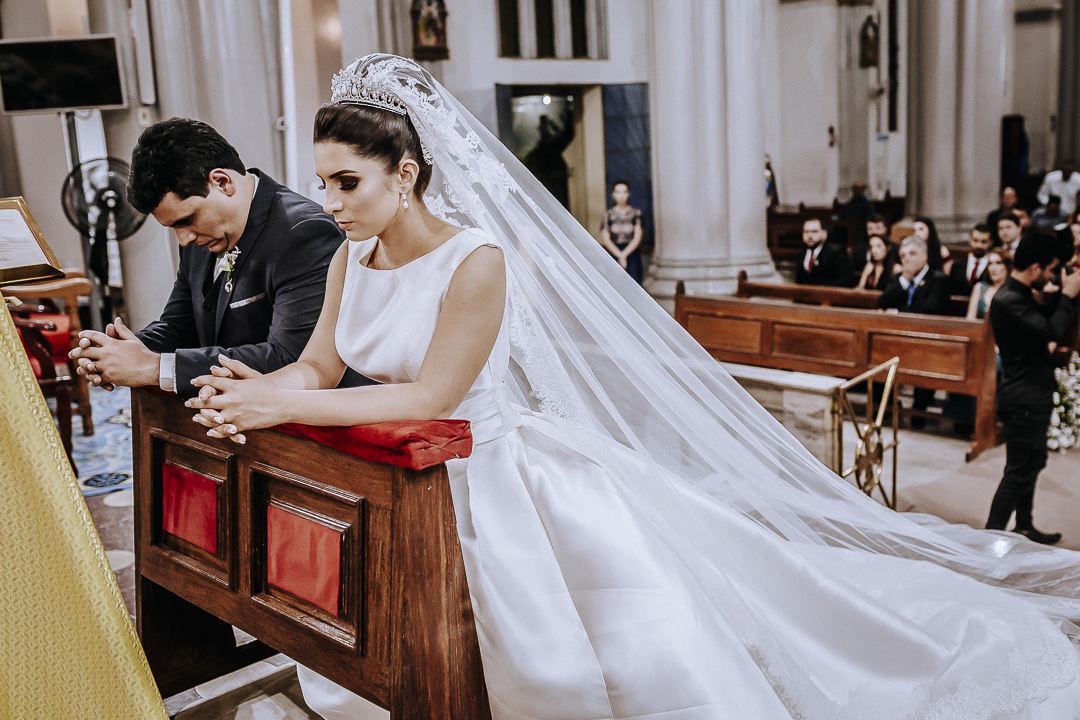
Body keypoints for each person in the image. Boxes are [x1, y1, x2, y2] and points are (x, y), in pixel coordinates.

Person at [190, 55, 1080, 719]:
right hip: (392, 470)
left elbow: (433, 396)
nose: (331, 202)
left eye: (348, 182)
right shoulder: (350, 256)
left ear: (407, 174)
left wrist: (286, 403)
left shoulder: (476, 261)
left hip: (488, 476)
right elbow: (319, 365)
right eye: (323, 184)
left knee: (570, 659)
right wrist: (253, 387)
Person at [68, 118, 352, 399]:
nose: (184, 239)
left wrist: (155, 367)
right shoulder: (202, 235)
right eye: (173, 227)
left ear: (222, 182)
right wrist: (122, 350)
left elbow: (290, 357)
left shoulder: (304, 233)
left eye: (187, 219)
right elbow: (181, 325)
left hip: (303, 412)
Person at [986, 236, 1080, 544]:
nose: (1052, 276)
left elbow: (1042, 317)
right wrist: (1067, 296)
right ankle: (986, 541)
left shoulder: (1021, 293)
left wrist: (1059, 294)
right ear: (1036, 268)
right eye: (1050, 270)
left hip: (1030, 393)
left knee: (1032, 462)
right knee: (1018, 472)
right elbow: (1050, 330)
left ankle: (1024, 525)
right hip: (1022, 397)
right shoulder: (1008, 299)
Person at [878, 237, 951, 428]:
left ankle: (920, 409)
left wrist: (897, 312)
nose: (907, 259)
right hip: (898, 337)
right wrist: (905, 279)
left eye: (912, 254)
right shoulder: (898, 278)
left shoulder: (939, 279)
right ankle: (887, 405)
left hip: (928, 338)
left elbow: (931, 309)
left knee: (924, 358)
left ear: (924, 255)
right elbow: (883, 302)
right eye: (903, 255)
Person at [598, 181, 644, 283]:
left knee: (633, 283)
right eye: (618, 192)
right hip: (613, 253)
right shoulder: (608, 214)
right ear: (613, 194)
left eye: (624, 192)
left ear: (628, 194)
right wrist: (619, 255)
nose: (621, 196)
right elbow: (606, 239)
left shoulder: (636, 213)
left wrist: (624, 255)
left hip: (632, 253)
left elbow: (637, 238)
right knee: (614, 284)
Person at [794, 218, 851, 286]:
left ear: (824, 234)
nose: (809, 235)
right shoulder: (800, 255)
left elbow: (845, 280)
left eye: (814, 231)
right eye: (806, 232)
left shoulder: (835, 253)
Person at [948, 224, 992, 296]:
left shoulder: (993, 266)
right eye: (975, 240)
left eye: (983, 242)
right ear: (970, 240)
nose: (979, 245)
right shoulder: (957, 266)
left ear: (990, 242)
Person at [966, 249, 1010, 320]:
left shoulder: (1013, 290)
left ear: (1007, 266)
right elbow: (970, 319)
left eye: (998, 263)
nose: (993, 268)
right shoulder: (979, 287)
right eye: (990, 263)